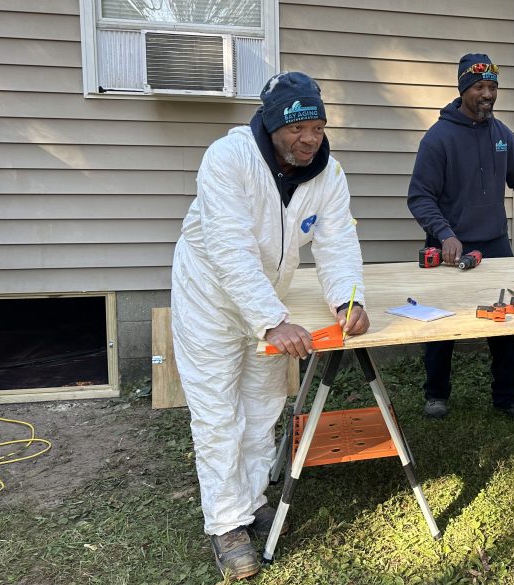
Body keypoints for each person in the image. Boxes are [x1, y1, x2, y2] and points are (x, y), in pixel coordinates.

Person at [171, 71, 370, 578]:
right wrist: (272, 321)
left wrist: (348, 300)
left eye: (319, 128)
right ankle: (225, 525)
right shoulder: (228, 158)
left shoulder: (329, 173)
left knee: (262, 406)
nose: (309, 140)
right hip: (209, 298)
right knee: (218, 411)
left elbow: (337, 243)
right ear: (271, 123)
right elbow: (228, 249)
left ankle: (251, 496)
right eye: (298, 129)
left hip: (269, 301)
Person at [407, 53, 514, 422]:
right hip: (449, 244)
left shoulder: (501, 135)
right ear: (464, 89)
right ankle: (436, 394)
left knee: (505, 322)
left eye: (492, 87)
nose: (487, 94)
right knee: (441, 322)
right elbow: (420, 196)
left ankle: (508, 398)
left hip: (494, 243)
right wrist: (445, 234)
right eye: (479, 87)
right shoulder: (438, 138)